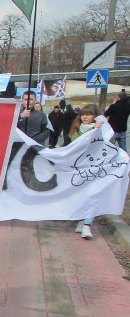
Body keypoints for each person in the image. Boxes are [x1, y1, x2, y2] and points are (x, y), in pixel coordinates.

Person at [67, 103, 105, 241]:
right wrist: (91, 130)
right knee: (81, 194)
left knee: (93, 194)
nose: (85, 117)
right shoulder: (77, 129)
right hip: (80, 168)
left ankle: (87, 224)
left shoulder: (102, 129)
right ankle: (82, 220)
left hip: (96, 167)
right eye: (83, 114)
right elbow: (77, 143)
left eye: (88, 114)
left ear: (95, 116)